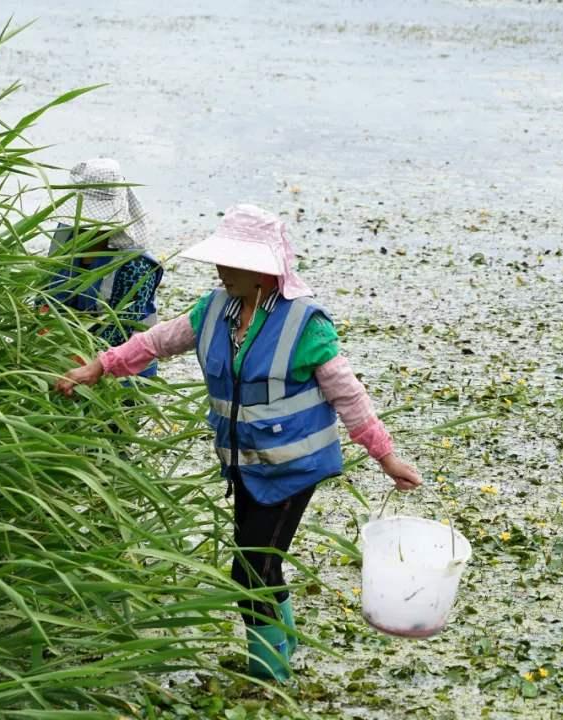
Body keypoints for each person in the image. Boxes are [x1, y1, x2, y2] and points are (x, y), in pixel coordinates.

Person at [54, 204, 422, 682]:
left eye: (230, 262)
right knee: (262, 566)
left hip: (293, 469)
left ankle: (269, 676)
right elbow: (155, 342)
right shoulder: (214, 310)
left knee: (249, 572)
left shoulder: (305, 325)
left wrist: (386, 456)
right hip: (245, 465)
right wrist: (99, 366)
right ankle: (283, 646)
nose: (220, 270)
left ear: (263, 271)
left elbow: (349, 396)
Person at [42, 158, 163, 378]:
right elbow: (47, 293)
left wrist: (78, 360)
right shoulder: (64, 237)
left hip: (125, 370)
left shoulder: (136, 264)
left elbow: (119, 333)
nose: (84, 227)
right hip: (65, 360)